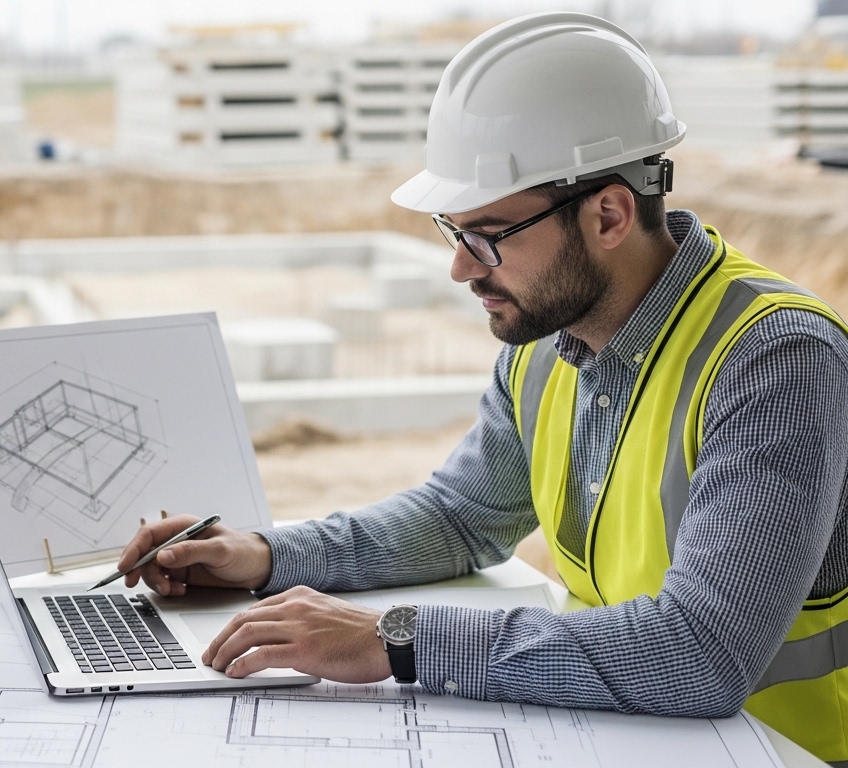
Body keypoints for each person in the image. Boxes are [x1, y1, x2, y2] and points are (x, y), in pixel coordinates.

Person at [116, 12, 848, 766]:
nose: (463, 269)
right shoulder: (547, 344)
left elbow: (700, 652)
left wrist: (395, 640)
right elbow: (461, 518)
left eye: (488, 235)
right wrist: (265, 554)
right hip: (638, 739)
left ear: (608, 214)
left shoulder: (774, 359)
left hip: (781, 751)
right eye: (454, 232)